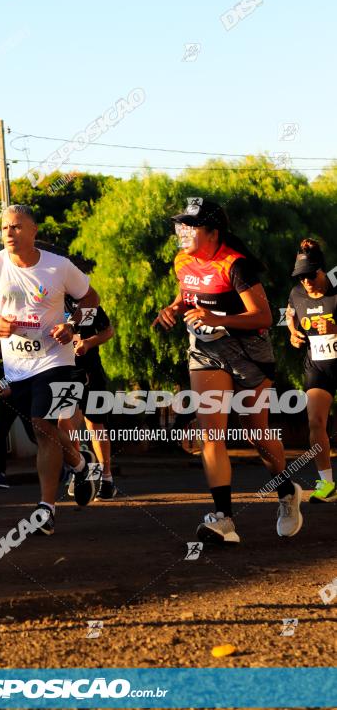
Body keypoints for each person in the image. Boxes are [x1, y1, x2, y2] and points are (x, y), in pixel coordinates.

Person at [154, 197, 303, 544]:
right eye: (182, 225)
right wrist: (174, 309)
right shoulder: (183, 260)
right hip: (205, 351)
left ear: (212, 231)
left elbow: (264, 317)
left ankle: (287, 492)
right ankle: (224, 520)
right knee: (212, 434)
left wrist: (217, 318)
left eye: (190, 226)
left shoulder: (235, 266)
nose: (183, 231)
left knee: (256, 434)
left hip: (248, 353)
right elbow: (187, 294)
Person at [0, 204, 100, 535]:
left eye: (17, 226)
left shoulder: (59, 267)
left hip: (57, 361)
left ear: (33, 231)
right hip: (17, 367)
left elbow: (91, 300)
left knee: (43, 423)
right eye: (5, 228)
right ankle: (82, 465)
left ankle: (46, 509)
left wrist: (71, 326)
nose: (9, 233)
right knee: (42, 434)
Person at [286, 238, 337, 503]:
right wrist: (293, 333)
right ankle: (327, 485)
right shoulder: (297, 293)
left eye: (310, 275)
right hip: (318, 364)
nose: (305, 281)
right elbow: (290, 314)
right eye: (301, 276)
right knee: (315, 422)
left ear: (321, 270)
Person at [63, 298, 118, 500]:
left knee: (95, 425)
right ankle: (81, 471)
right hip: (62, 374)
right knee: (63, 424)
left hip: (89, 371)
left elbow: (108, 331)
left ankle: (107, 478)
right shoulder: (46, 302)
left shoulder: (86, 304)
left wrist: (88, 343)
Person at [0, 333, 37, 489]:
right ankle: (0, 474)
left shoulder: (14, 351)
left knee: (35, 434)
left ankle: (61, 466)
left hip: (23, 397)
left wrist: (12, 388)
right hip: (5, 401)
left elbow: (27, 371)